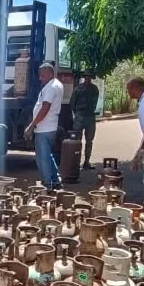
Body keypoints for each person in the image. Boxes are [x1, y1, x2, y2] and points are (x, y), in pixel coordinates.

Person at [24, 61, 64, 190]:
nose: (40, 78)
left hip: (44, 127)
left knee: (42, 158)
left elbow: (45, 107)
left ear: (50, 74)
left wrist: (32, 125)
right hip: (49, 127)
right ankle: (56, 180)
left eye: (42, 75)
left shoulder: (51, 87)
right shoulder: (56, 84)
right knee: (48, 154)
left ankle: (47, 184)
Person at [69, 73, 100, 170]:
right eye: (86, 76)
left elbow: (72, 104)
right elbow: (72, 103)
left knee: (88, 141)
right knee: (77, 141)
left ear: (91, 78)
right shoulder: (78, 89)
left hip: (88, 116)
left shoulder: (94, 89)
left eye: (89, 76)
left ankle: (86, 162)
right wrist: (78, 113)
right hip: (82, 116)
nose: (88, 78)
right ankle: (76, 162)